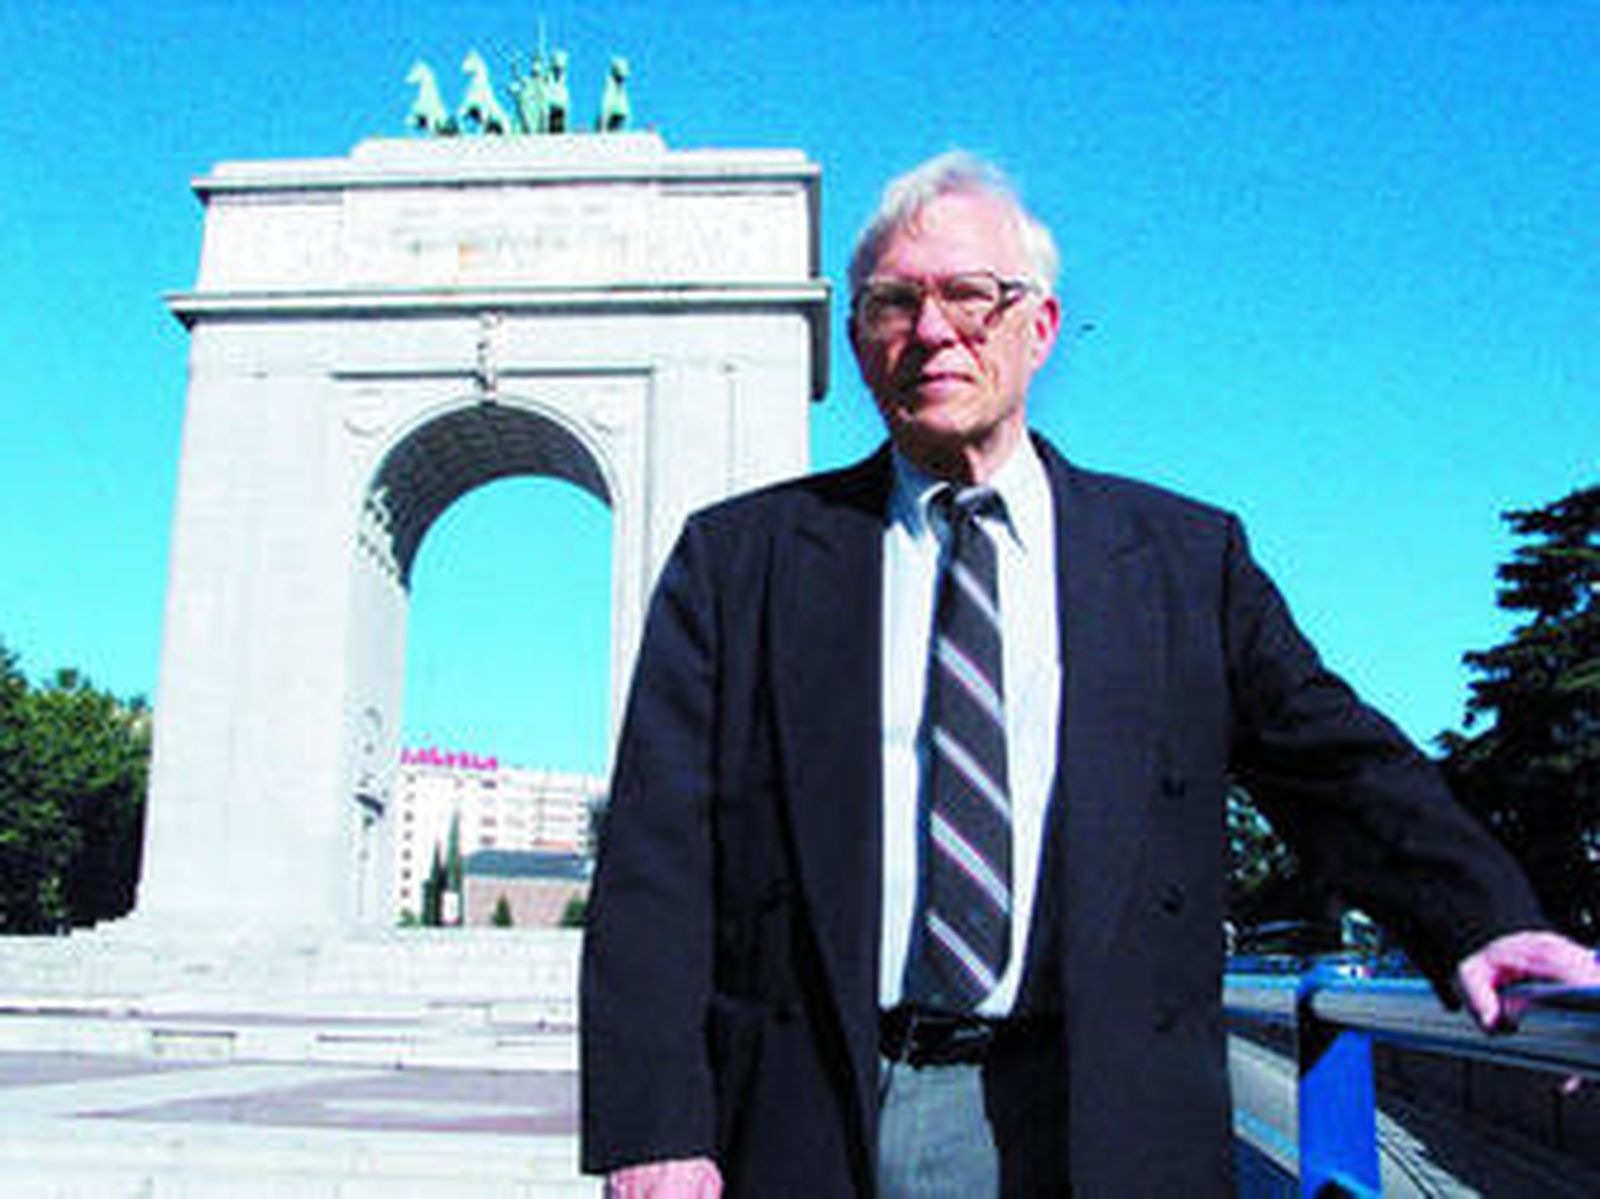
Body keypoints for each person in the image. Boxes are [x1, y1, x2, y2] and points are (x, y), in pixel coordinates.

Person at [580, 152, 1600, 1197]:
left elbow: (1336, 763)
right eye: (895, 301)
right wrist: (653, 1123)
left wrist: (1486, 918)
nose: (932, 331)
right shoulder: (739, 560)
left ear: (1040, 327)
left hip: (1102, 1113)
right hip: (811, 1109)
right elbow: (660, 851)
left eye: (970, 296)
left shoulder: (1183, 560)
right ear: (857, 337)